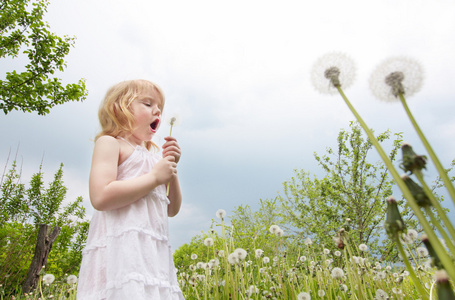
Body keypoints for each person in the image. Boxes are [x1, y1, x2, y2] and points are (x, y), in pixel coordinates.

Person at [77, 79, 184, 300]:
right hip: (120, 253)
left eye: (160, 109)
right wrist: (155, 177)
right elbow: (100, 196)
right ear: (120, 109)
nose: (157, 111)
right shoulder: (110, 143)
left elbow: (171, 209)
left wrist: (171, 170)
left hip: (153, 257)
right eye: (147, 104)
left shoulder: (156, 159)